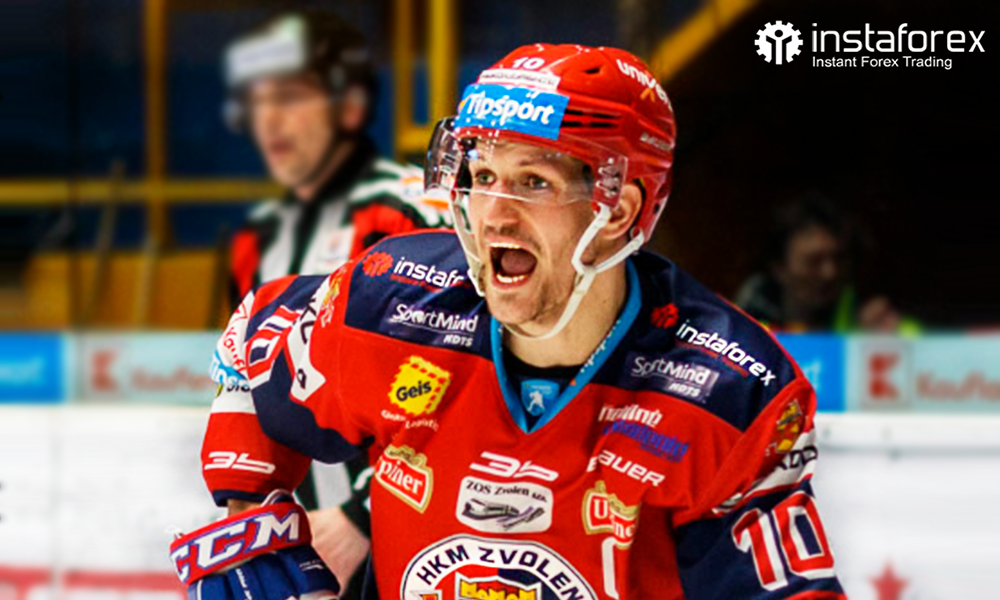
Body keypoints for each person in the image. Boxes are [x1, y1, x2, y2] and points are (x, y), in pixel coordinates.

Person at [176, 45, 845, 599]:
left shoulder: (727, 393)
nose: (492, 213)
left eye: (533, 183)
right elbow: (255, 334)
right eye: (480, 174)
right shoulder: (389, 307)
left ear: (618, 209)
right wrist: (251, 514)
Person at [215, 10, 447, 598]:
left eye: (290, 97)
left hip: (418, 543)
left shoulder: (412, 211)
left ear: (350, 106)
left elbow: (471, 382)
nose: (269, 119)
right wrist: (247, 514)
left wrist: (358, 520)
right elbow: (249, 380)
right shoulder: (256, 238)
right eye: (258, 100)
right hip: (304, 549)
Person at [735, 196, 917, 333]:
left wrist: (881, 347)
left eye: (839, 259)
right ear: (778, 267)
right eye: (813, 261)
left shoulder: (875, 324)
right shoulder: (743, 329)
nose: (830, 273)